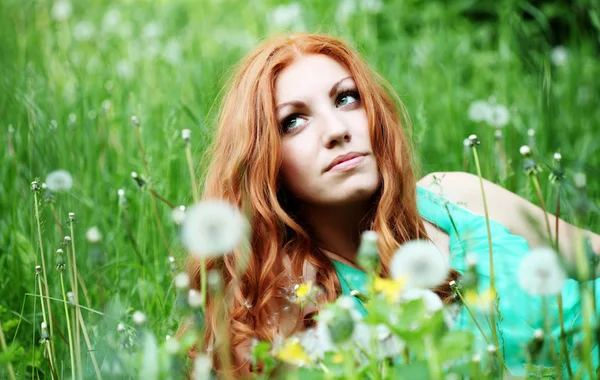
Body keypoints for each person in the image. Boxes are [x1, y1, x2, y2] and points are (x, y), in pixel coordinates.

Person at [182, 32, 600, 377]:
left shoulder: (455, 196)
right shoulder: (288, 314)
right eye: (293, 120)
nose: (336, 130)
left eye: (346, 98)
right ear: (263, 161)